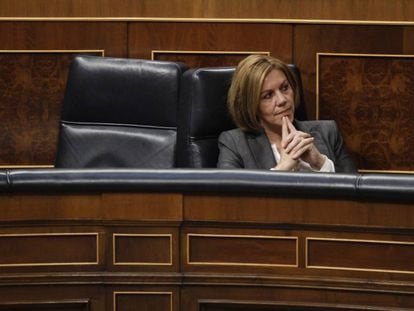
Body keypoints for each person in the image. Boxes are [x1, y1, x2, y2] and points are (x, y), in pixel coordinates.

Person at [217, 54, 356, 173]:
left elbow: (354, 195)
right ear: (250, 105)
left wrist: (320, 163)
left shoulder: (328, 132)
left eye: (285, 88)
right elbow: (229, 200)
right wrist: (281, 170)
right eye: (268, 95)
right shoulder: (234, 143)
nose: (282, 100)